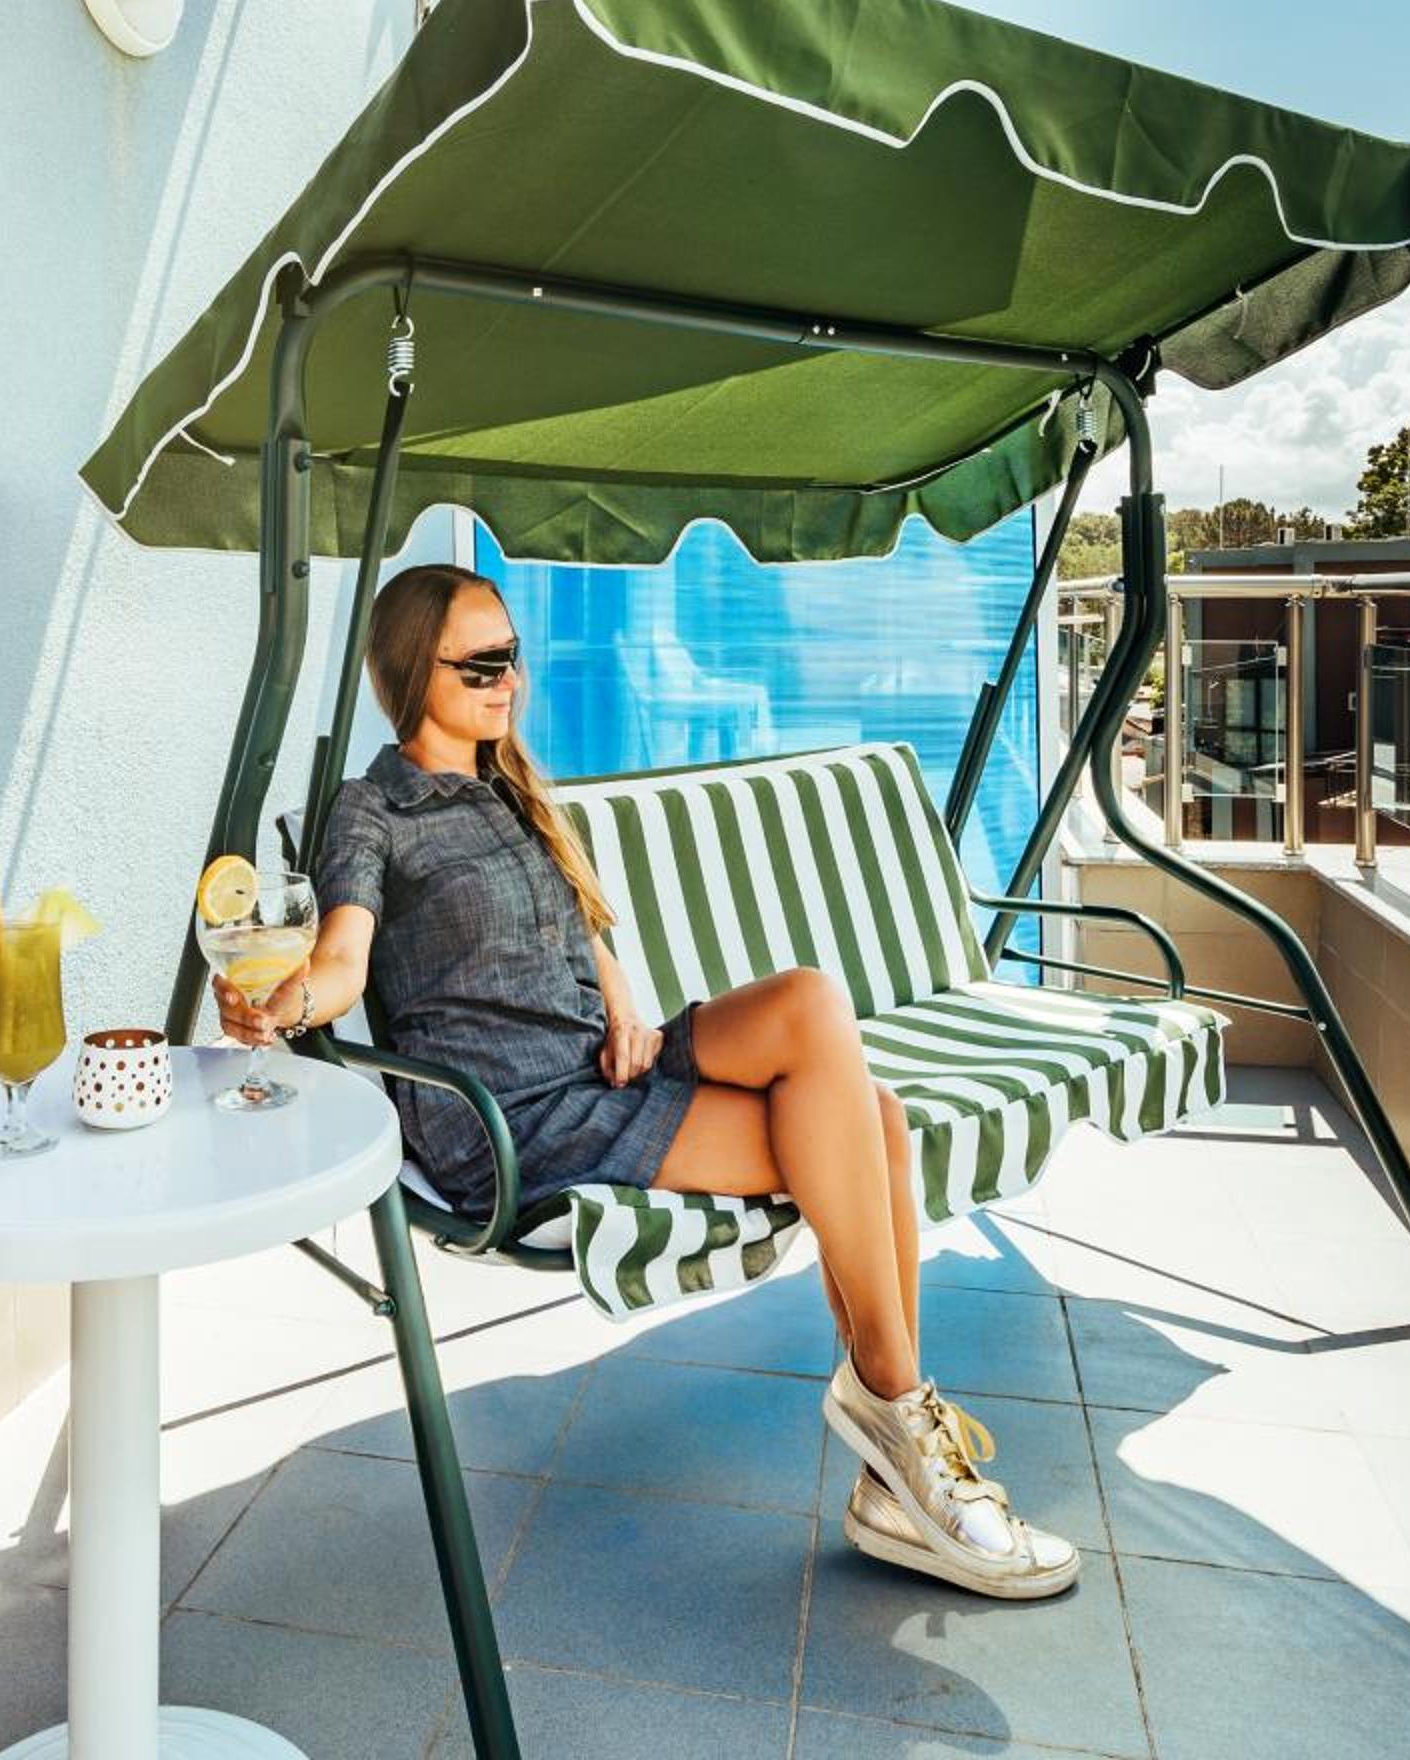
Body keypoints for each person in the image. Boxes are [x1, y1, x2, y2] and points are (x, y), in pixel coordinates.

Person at [214, 562, 1077, 1600]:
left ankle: (893, 1445)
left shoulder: (511, 787)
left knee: (821, 1019)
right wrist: (283, 1004)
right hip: (519, 1118)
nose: (507, 679)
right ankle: (901, 1432)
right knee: (874, 1125)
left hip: (602, 1065)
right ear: (412, 672)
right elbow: (344, 958)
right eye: (479, 664)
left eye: (512, 656)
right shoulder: (373, 808)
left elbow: (589, 931)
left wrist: (624, 1012)